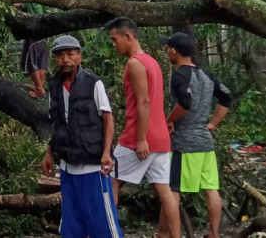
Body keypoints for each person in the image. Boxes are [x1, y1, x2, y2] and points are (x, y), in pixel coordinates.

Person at [105, 17, 180, 238]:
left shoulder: (135, 63)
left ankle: (108, 232)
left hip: (139, 137)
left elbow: (144, 101)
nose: (113, 43)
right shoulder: (152, 61)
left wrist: (140, 139)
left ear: (127, 36)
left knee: (110, 180)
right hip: (161, 138)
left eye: (114, 39)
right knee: (165, 192)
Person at [41, 35, 123, 238]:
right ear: (55, 59)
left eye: (70, 54)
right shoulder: (54, 85)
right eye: (60, 56)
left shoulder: (93, 83)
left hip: (93, 165)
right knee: (72, 224)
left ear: (79, 57)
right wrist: (49, 153)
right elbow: (56, 122)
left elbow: (108, 119)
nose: (65, 59)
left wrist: (106, 153)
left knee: (103, 224)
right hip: (68, 166)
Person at [160, 32, 232, 238]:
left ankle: (172, 235)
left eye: (168, 48)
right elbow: (226, 98)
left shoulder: (180, 75)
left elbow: (185, 102)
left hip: (183, 143)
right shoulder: (207, 75)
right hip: (205, 142)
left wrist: (169, 120)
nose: (167, 52)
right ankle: (214, 233)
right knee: (211, 188)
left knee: (172, 189)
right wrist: (212, 124)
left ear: (173, 50)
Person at [0, 0, 48, 97]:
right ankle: (40, 86)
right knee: (40, 61)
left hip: (34, 32)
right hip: (44, 31)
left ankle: (39, 89)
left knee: (30, 61)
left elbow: (16, 3)